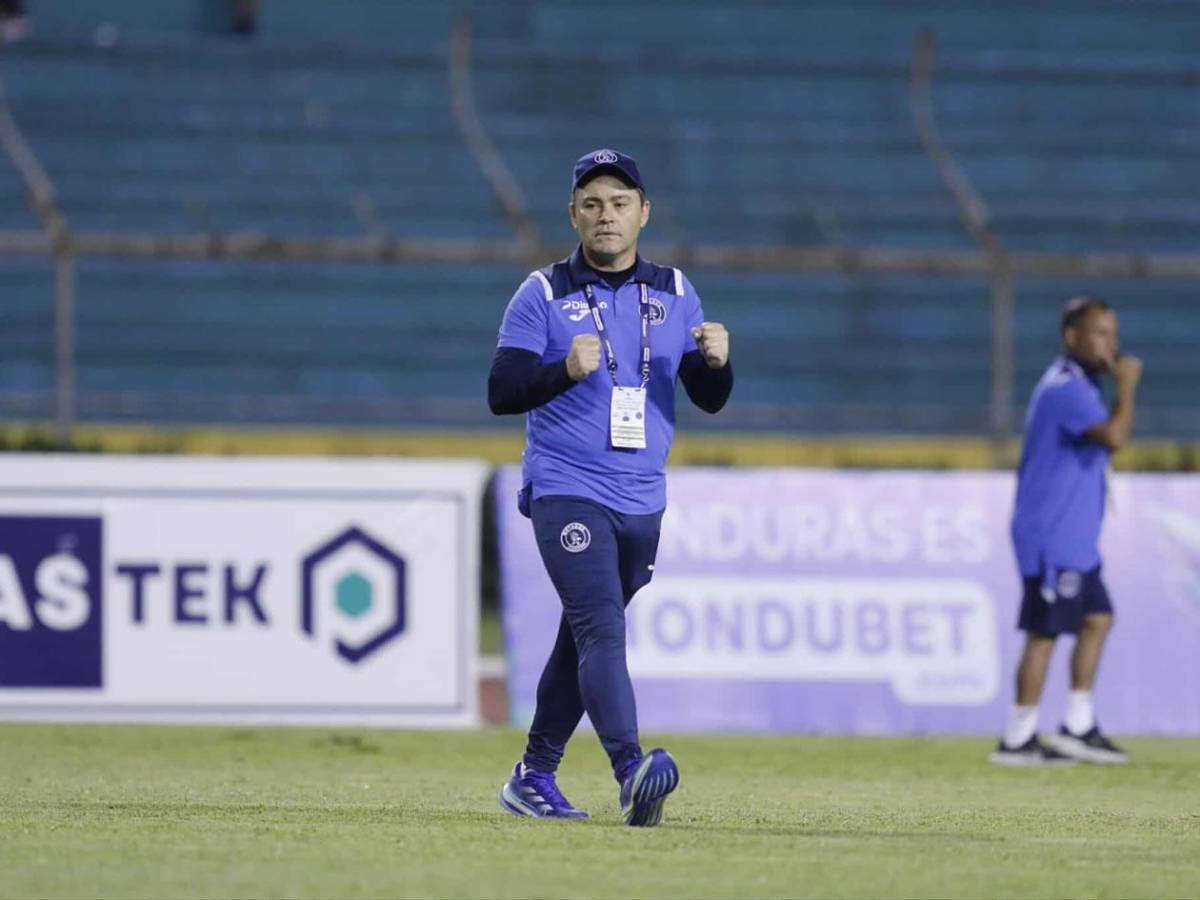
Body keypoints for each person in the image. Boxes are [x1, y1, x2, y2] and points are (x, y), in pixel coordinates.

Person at [488, 148, 733, 825]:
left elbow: (707, 399)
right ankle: (632, 770)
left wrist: (717, 363)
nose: (606, 215)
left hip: (642, 497)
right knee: (601, 627)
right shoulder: (541, 293)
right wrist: (562, 371)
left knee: (582, 637)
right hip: (567, 486)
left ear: (643, 213)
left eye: (619, 203)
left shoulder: (676, 292)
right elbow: (502, 392)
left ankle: (533, 777)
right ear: (573, 214)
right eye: (592, 203)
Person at [990, 296, 1142, 766]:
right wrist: (1128, 387)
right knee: (1045, 631)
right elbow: (1114, 437)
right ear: (1072, 337)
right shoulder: (1067, 389)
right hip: (1051, 536)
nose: (1109, 345)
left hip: (1074, 537)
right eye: (1099, 334)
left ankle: (1076, 726)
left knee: (1098, 618)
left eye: (1113, 336)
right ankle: (1017, 738)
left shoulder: (1082, 387)